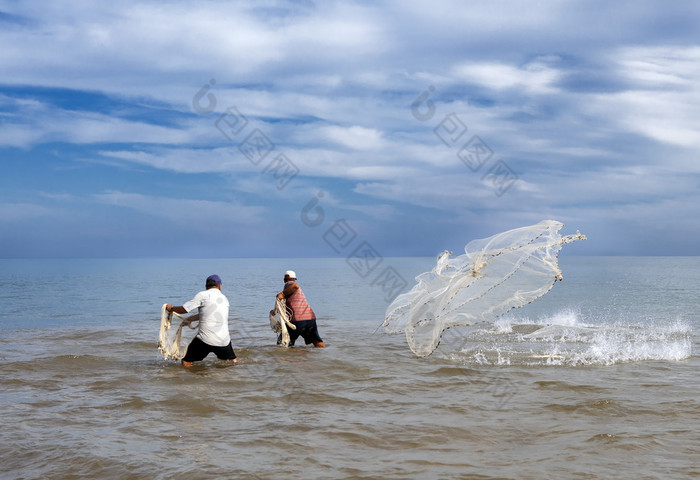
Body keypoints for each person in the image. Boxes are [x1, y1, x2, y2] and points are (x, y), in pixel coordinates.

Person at [165, 274, 237, 367]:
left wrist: (171, 308)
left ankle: (193, 380)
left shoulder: (202, 295)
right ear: (220, 286)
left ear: (206, 286)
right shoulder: (224, 299)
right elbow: (208, 314)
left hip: (205, 340)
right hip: (224, 341)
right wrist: (190, 319)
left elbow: (184, 309)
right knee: (232, 361)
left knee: (186, 361)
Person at [272, 270, 325, 348]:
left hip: (297, 321)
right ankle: (325, 355)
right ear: (295, 278)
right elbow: (283, 306)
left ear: (284, 280)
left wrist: (282, 294)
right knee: (316, 341)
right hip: (310, 319)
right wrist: (274, 311)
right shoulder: (296, 292)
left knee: (282, 345)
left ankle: (290, 360)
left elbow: (295, 286)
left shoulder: (289, 284)